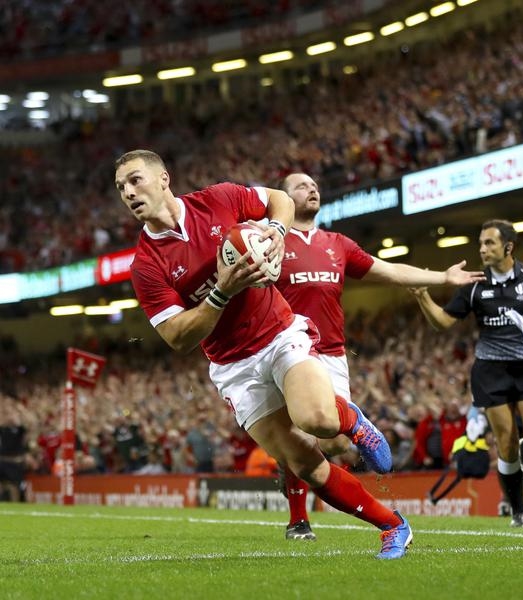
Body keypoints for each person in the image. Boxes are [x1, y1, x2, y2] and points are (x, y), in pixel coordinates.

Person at [113, 150, 411, 559]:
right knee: (305, 464)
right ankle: (393, 526)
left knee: (318, 421)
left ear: (164, 178)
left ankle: (353, 421)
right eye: (121, 188)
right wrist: (221, 292)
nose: (128, 193)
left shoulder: (218, 198)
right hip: (234, 366)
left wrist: (275, 230)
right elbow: (177, 336)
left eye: (135, 180)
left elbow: (280, 200)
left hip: (278, 333)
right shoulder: (146, 265)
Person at [274, 171, 484, 541]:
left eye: (315, 185)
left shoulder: (337, 244)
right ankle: (298, 520)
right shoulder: (271, 242)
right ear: (284, 200)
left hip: (328, 353)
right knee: (295, 441)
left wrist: (442, 278)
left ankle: (345, 430)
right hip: (282, 352)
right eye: (302, 186)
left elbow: (390, 270)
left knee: (334, 442)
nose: (313, 189)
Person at [410, 219, 523, 527]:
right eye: (481, 243)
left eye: (490, 243)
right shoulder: (474, 285)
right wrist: (423, 296)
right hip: (490, 372)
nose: (482, 249)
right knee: (505, 446)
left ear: (508, 247)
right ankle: (517, 510)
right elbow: (443, 322)